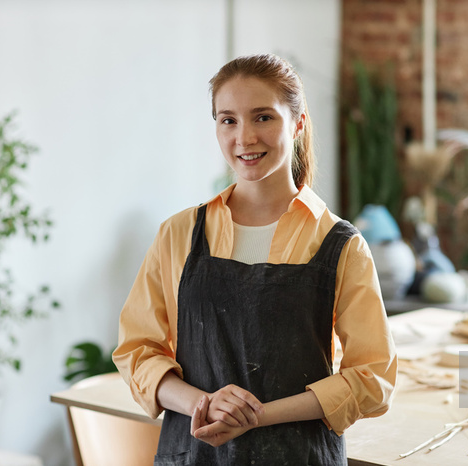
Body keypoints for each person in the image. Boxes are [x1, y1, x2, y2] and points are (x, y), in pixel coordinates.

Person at [113, 53, 397, 465]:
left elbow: (373, 378)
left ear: (297, 124)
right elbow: (137, 351)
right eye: (228, 120)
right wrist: (206, 403)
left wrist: (257, 416)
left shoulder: (340, 244)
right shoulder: (178, 234)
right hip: (194, 454)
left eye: (263, 117)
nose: (244, 138)